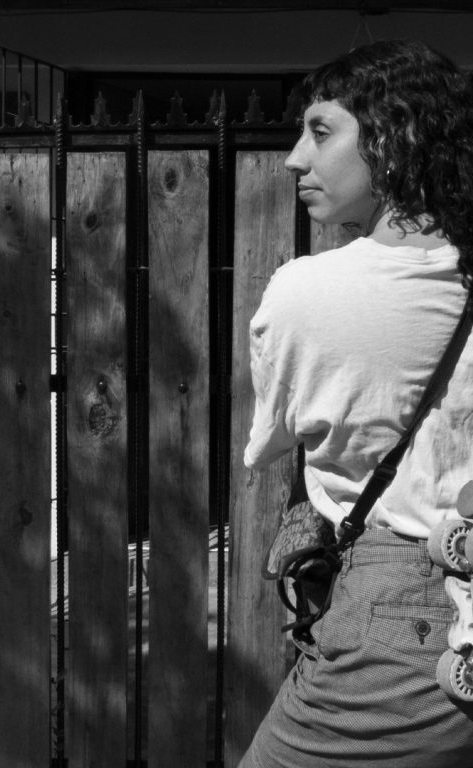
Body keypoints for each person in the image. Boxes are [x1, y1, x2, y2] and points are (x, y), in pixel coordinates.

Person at [239, 40, 473, 768]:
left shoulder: (308, 292)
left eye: (320, 130)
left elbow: (270, 440)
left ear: (396, 134)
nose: (294, 159)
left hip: (405, 626)